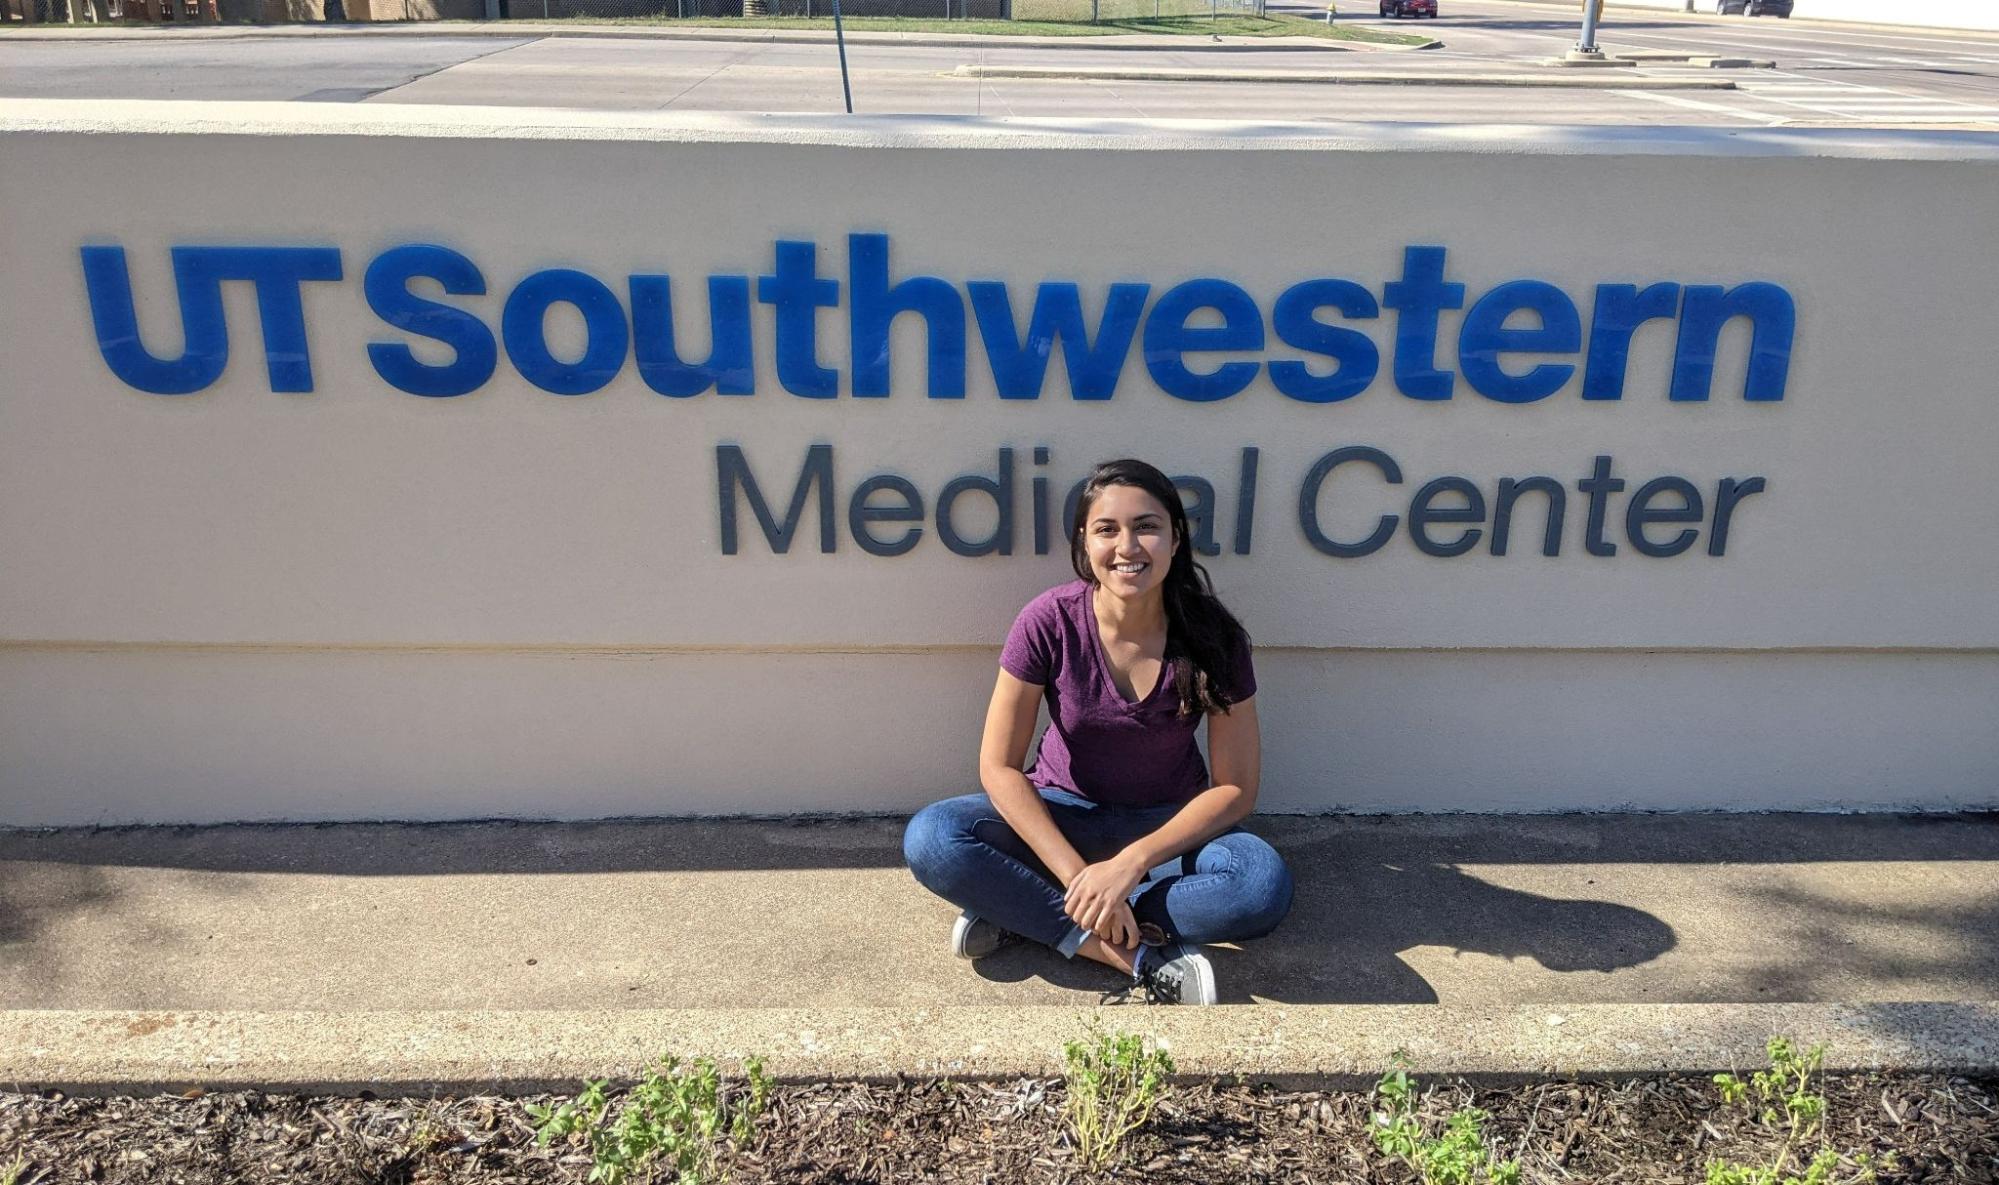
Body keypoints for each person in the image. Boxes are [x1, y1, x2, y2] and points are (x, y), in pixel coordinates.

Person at [903, 458, 1294, 1005]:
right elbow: (998, 766)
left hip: (1167, 830)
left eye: (1147, 526)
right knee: (933, 838)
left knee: (1260, 885)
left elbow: (1235, 789)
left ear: (1176, 539)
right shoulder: (1049, 620)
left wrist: (1129, 866)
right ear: (1084, 543)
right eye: (1107, 529)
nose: (1127, 546)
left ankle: (1023, 913)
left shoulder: (1214, 636)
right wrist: (1076, 877)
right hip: (1063, 814)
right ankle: (1126, 953)